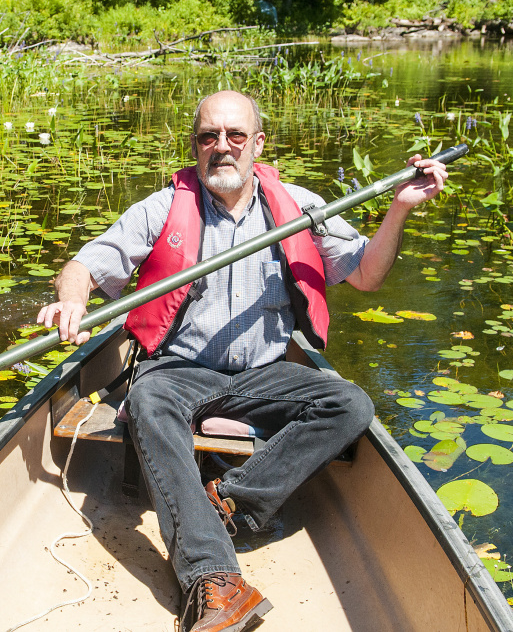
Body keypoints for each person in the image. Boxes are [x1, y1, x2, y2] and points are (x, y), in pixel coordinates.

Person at [36, 90, 449, 632]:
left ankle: (228, 502)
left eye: (235, 136)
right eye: (209, 137)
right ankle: (215, 579)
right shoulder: (163, 207)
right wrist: (73, 299)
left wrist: (400, 207)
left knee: (349, 403)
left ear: (257, 143)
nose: (222, 148)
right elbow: (85, 264)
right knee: (147, 400)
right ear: (195, 145)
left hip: (264, 373)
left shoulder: (301, 207)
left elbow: (367, 276)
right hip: (179, 370)